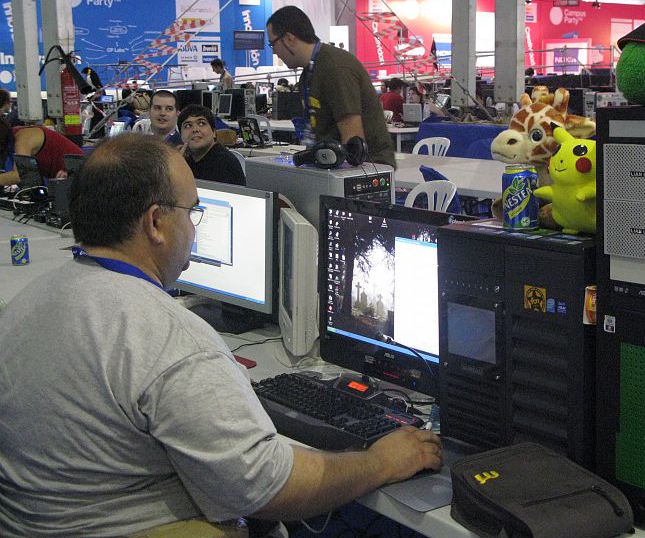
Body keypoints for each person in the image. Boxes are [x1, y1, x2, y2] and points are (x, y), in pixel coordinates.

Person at [0, 135, 443, 536]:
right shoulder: (166, 335)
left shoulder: (33, 298)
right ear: (155, 223)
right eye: (192, 212)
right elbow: (266, 488)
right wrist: (381, 461)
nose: (194, 228)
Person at [267, 5, 396, 167]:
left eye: (272, 44)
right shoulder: (309, 73)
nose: (274, 52)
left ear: (289, 39)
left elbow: (353, 144)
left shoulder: (335, 69)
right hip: (333, 166)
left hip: (366, 170)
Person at [0, 121, 83, 186]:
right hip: (62, 179)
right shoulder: (11, 139)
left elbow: (19, 175)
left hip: (82, 174)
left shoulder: (23, 138)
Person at [179, 104, 245, 186]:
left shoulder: (223, 162)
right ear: (181, 135)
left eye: (201, 123)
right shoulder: (185, 159)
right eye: (188, 126)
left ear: (214, 132)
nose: (195, 130)